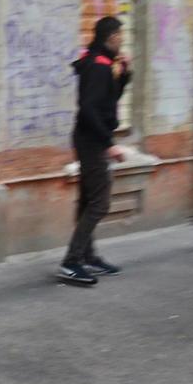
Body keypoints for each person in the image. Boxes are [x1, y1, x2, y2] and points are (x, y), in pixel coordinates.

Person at [57, 15, 131, 286]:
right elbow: (88, 109)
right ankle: (72, 262)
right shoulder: (98, 67)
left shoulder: (100, 63)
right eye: (120, 35)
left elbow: (106, 102)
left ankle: (86, 255)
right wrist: (109, 145)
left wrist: (124, 77)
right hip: (92, 141)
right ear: (111, 37)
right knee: (100, 203)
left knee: (89, 201)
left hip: (90, 139)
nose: (122, 40)